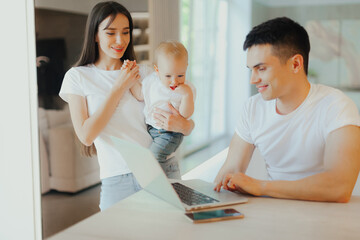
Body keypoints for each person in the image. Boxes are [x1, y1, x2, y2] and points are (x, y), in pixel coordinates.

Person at [59, 1, 194, 211]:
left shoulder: (148, 73)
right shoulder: (78, 77)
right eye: (110, 33)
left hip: (161, 170)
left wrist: (183, 125)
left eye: (125, 31)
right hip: (117, 178)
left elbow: (186, 124)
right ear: (95, 35)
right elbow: (86, 135)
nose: (120, 40)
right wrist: (119, 87)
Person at [214, 17, 360, 203]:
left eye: (261, 68)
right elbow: (231, 170)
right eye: (251, 69)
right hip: (274, 212)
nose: (253, 79)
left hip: (324, 216)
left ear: (295, 64)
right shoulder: (253, 107)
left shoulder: (337, 105)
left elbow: (339, 186)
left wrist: (261, 187)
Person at [128, 40, 195, 177]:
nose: (174, 81)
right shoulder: (152, 81)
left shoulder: (185, 89)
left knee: (153, 159)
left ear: (186, 68)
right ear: (157, 70)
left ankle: (156, 183)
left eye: (180, 75)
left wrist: (187, 95)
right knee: (155, 158)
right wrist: (131, 79)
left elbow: (185, 114)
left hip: (169, 134)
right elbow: (140, 95)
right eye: (168, 76)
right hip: (152, 130)